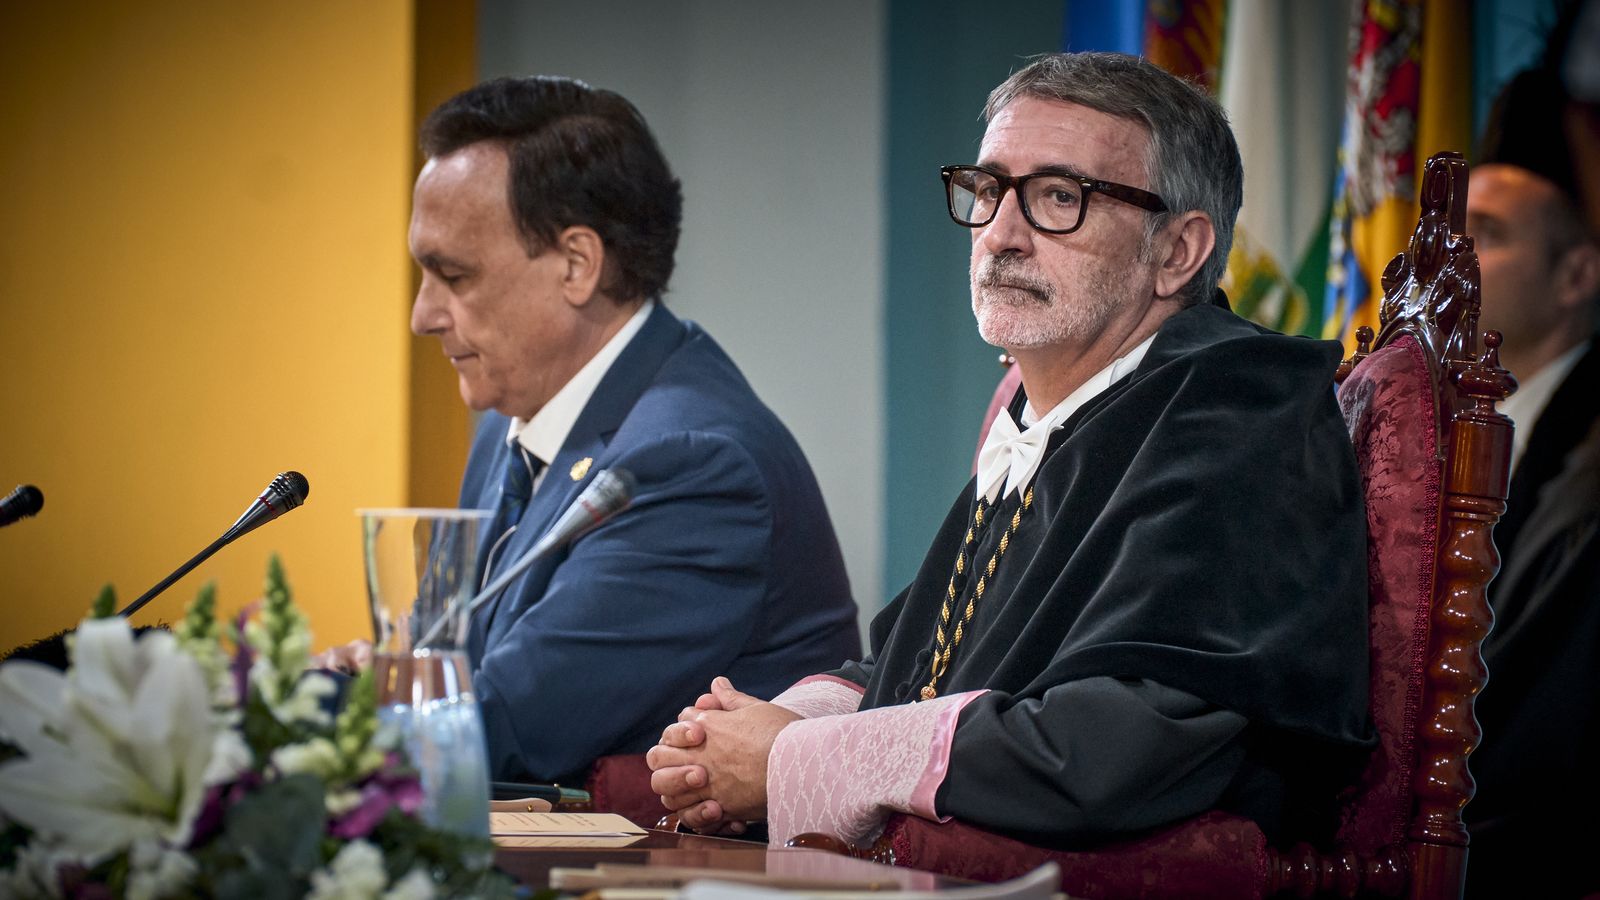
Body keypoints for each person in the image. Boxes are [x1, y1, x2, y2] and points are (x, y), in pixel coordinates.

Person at [647, 52, 1370, 849]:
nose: (1000, 234)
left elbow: (1116, 749)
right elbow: (916, 667)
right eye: (988, 191)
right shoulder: (1052, 409)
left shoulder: (1239, 415)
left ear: (1177, 252)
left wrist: (789, 759)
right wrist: (747, 739)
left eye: (1060, 196)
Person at [349, 76, 860, 786]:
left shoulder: (693, 465)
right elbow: (449, 667)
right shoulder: (511, 429)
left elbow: (501, 725)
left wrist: (263, 704)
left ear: (577, 264)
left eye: (453, 276)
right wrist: (365, 679)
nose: (423, 315)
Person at [1461, 65, 1600, 900]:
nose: (1445, 254)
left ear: (1577, 276)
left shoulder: (1591, 481)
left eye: (1485, 231)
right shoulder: (1420, 433)